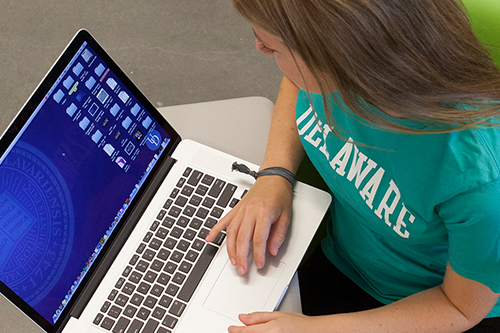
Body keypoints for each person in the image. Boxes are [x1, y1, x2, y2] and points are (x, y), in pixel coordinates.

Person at [205, 0, 500, 331]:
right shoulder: (342, 75)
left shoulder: (480, 183)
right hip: (342, 256)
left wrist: (316, 330)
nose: (258, 47)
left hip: (424, 305)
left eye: (273, 48)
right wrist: (274, 174)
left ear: (341, 58)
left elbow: (459, 308)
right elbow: (297, 81)